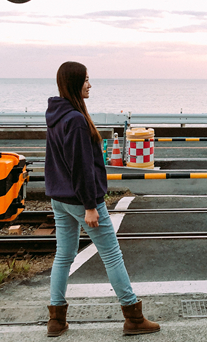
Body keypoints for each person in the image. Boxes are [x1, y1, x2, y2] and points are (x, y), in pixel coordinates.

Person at [45, 61, 159, 337]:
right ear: (73, 83)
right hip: (81, 200)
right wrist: (90, 206)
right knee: (111, 255)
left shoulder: (57, 115)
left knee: (63, 255)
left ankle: (56, 320)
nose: (89, 84)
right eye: (85, 79)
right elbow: (81, 167)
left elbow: (57, 161)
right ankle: (132, 316)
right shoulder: (74, 120)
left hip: (59, 197)